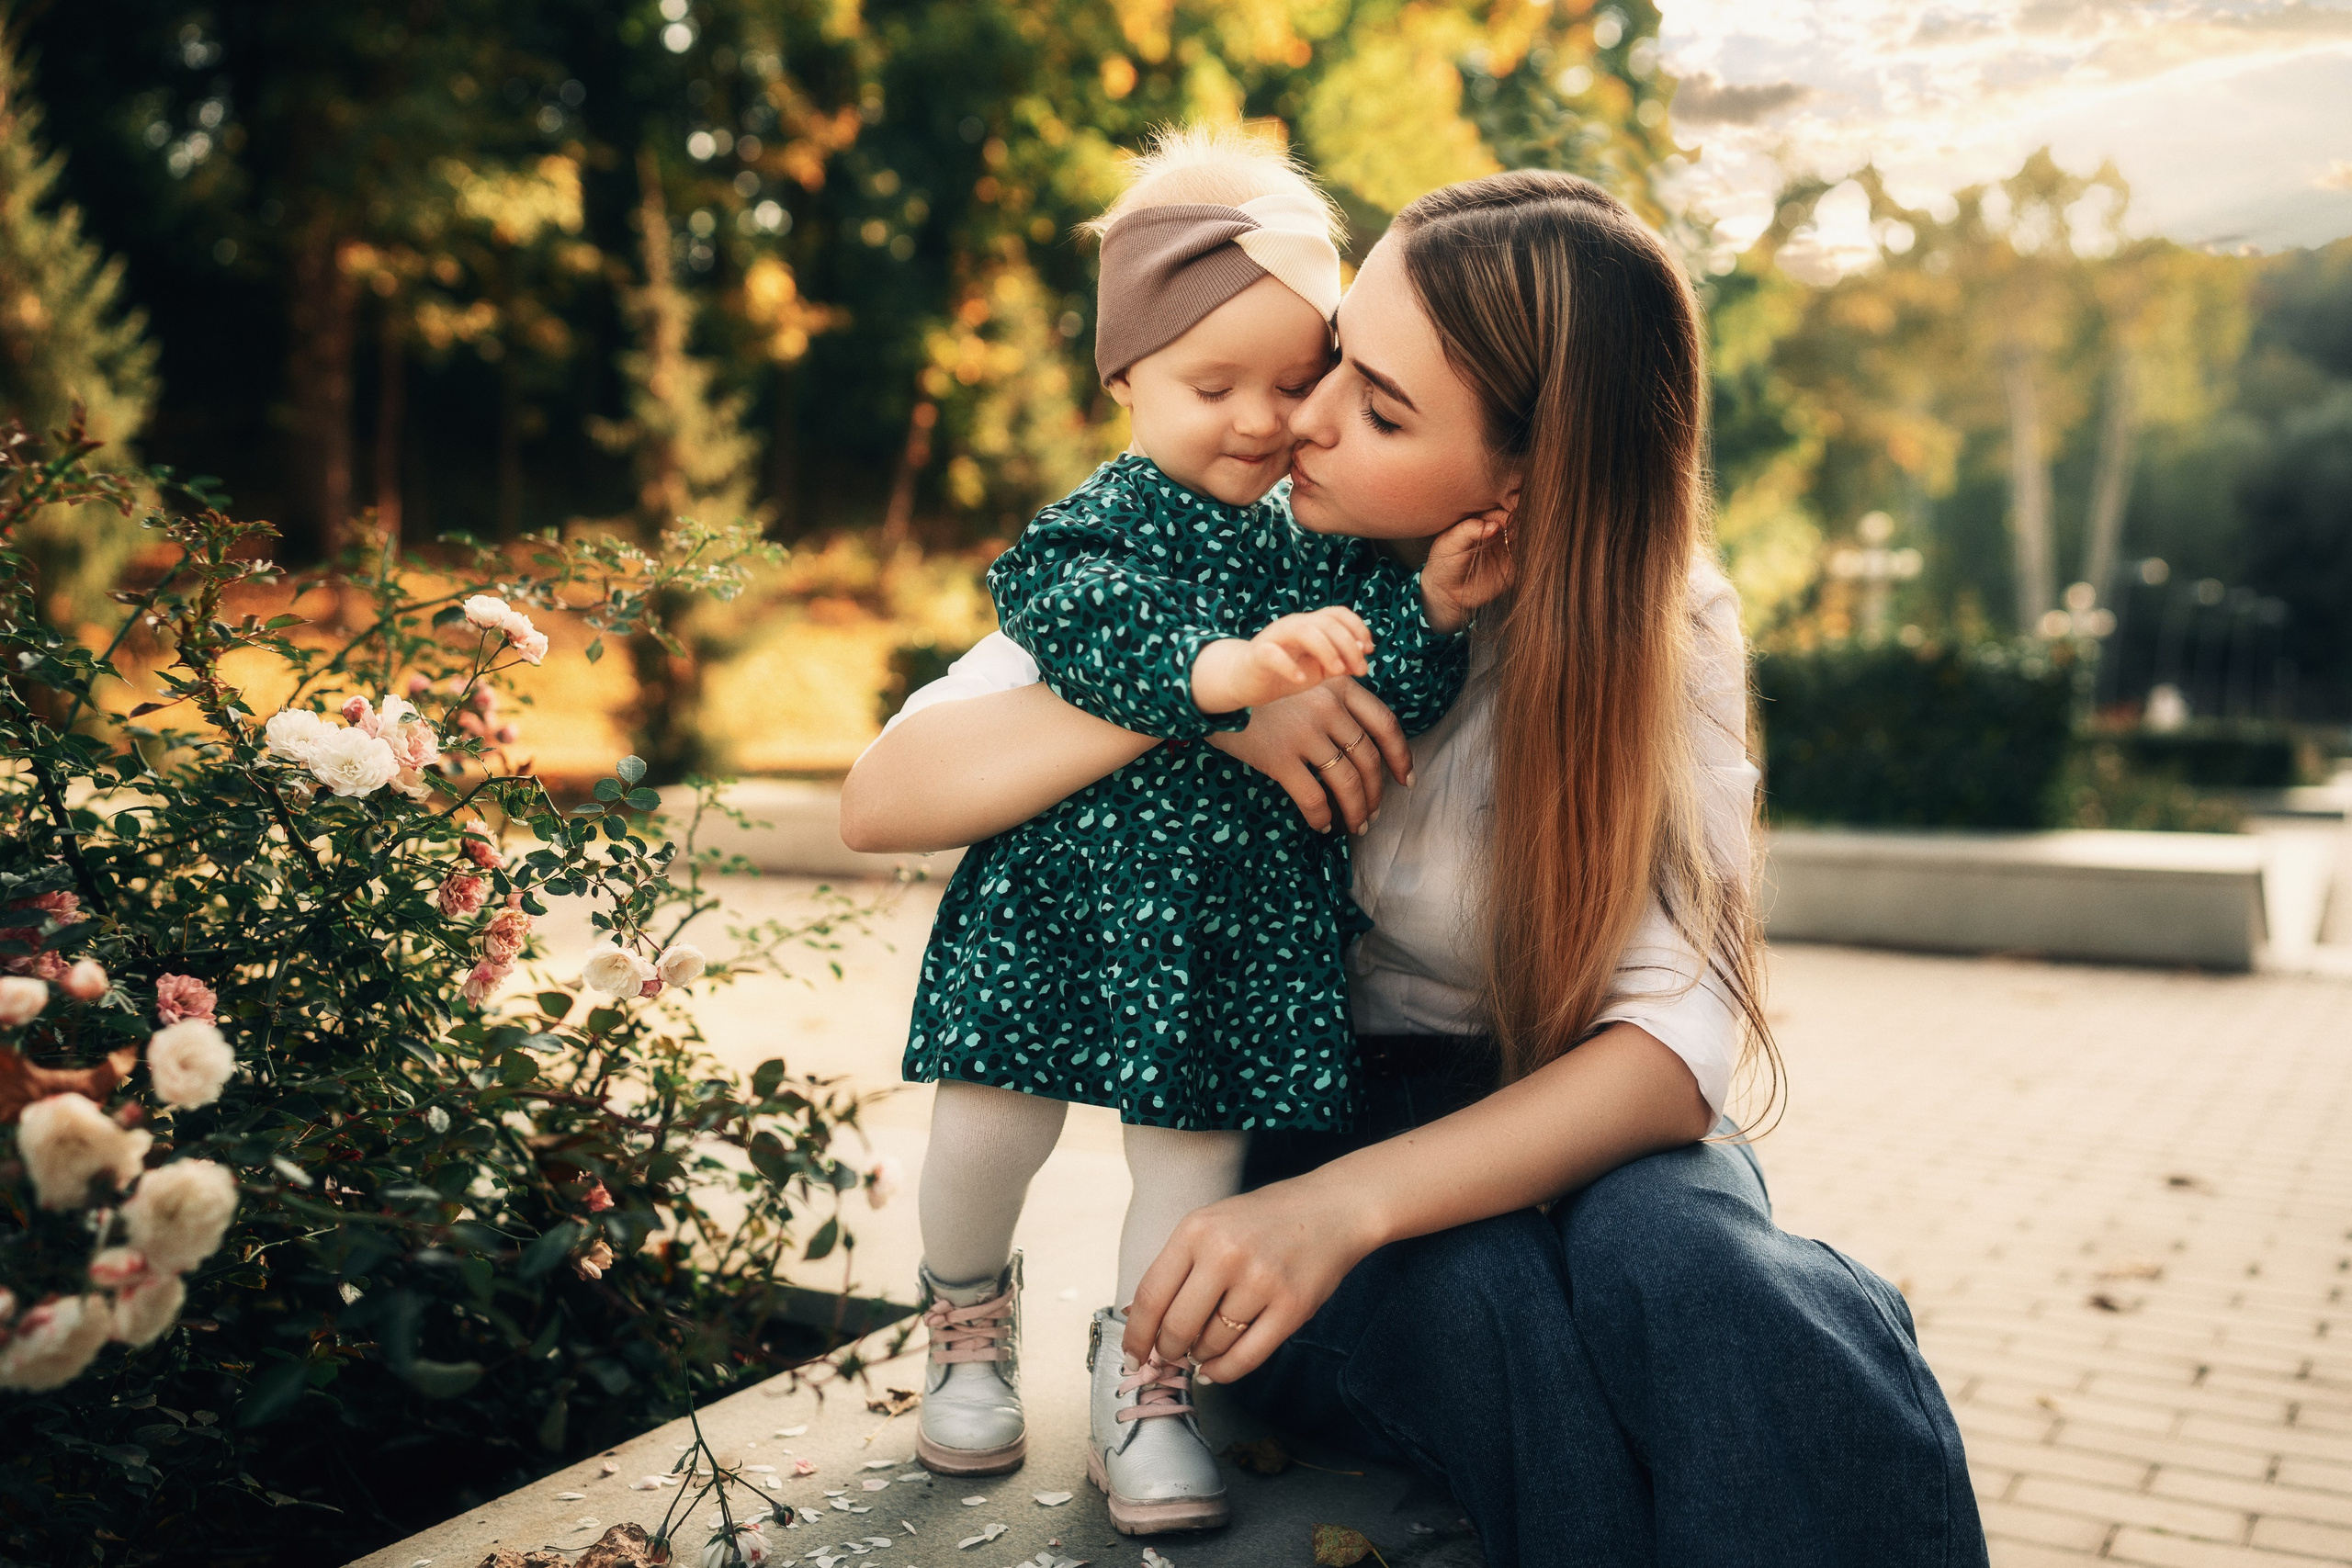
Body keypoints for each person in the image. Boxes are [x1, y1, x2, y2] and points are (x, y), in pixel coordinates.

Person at [843, 168, 1988, 1565]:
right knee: (1499, 1320)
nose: (1297, 418)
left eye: (1378, 408)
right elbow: (885, 793)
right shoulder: (1222, 555)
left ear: (1527, 476)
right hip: (1320, 1100)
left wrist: (1348, 1208)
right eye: (1338, 357)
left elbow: (1675, 1045)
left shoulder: (1660, 615)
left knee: (1710, 1279)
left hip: (1563, 1107)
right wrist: (1220, 709)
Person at [887, 125, 1510, 1538]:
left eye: (1294, 384)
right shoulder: (1100, 525)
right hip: (1059, 904)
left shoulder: (1333, 541)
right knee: (985, 1135)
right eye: (1207, 382)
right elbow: (1081, 623)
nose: (1254, 419)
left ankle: (1147, 1381)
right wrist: (1222, 683)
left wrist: (1438, 614)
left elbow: (1380, 704)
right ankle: (965, 1321)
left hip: (1234, 925)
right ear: (1123, 379)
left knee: (1189, 1165)